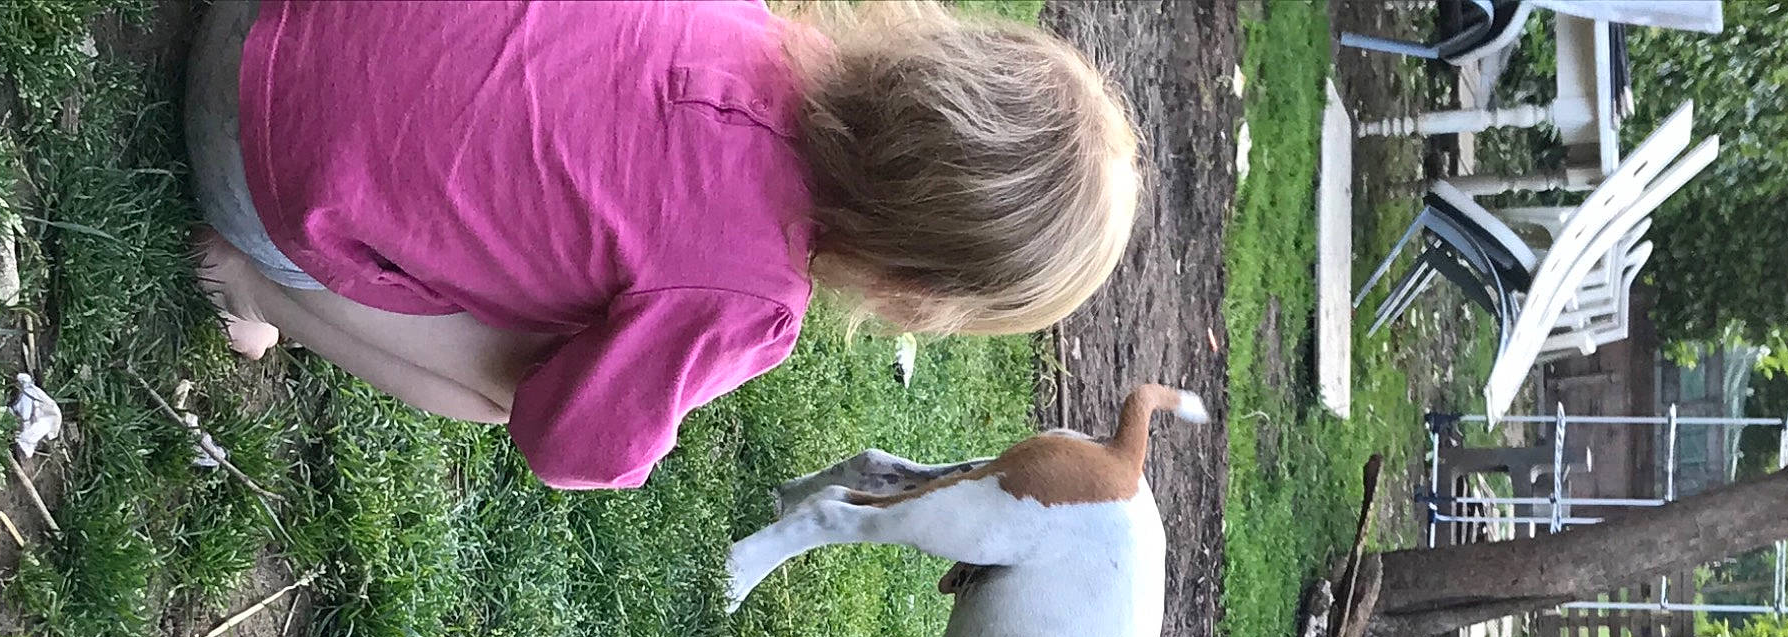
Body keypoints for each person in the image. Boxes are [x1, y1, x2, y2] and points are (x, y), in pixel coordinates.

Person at [183, 0, 1141, 491]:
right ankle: (263, 292)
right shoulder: (752, 300)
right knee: (521, 388)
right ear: (917, 292)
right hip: (253, 154)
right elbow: (572, 446)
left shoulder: (740, 17)